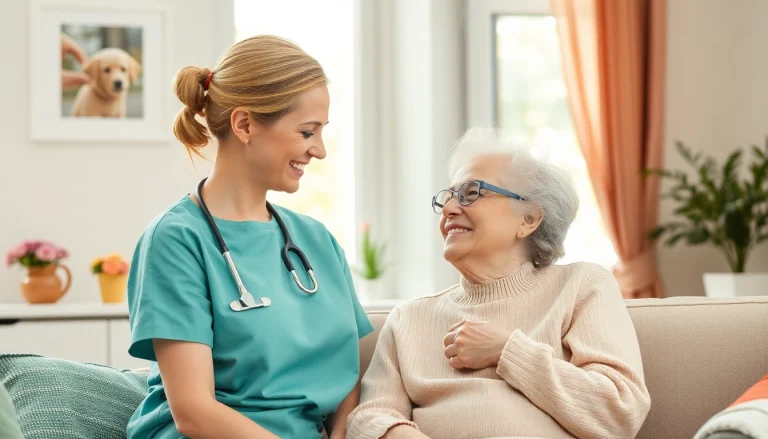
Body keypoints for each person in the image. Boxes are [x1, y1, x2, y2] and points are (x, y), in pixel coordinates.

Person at [125, 35, 374, 439]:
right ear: (244, 125)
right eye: (307, 132)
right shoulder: (175, 241)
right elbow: (194, 412)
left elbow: (348, 374)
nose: (320, 150)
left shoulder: (317, 241)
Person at [346, 128, 651, 439]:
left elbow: (619, 412)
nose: (449, 209)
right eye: (448, 197)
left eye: (471, 193)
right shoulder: (408, 319)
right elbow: (368, 417)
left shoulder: (581, 286)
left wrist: (507, 350)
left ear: (528, 219)